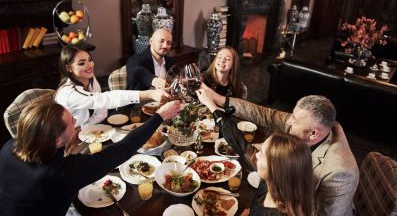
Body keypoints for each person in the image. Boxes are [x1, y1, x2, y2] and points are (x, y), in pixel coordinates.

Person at [197, 85, 359, 216]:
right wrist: (219, 99)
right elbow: (265, 114)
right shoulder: (307, 123)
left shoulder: (341, 172)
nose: (288, 122)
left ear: (314, 134)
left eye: (294, 121)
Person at [0, 99, 181, 215]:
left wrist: (63, 149)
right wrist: (160, 116)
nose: (75, 122)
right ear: (56, 141)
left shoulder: (10, 147)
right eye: (71, 122)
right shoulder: (62, 173)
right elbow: (123, 149)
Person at [55, 44, 170, 153]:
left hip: (84, 137)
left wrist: (80, 129)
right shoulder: (68, 93)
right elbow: (105, 99)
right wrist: (150, 94)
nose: (90, 65)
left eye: (90, 60)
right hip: (63, 144)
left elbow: (101, 114)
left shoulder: (91, 82)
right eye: (81, 63)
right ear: (69, 68)